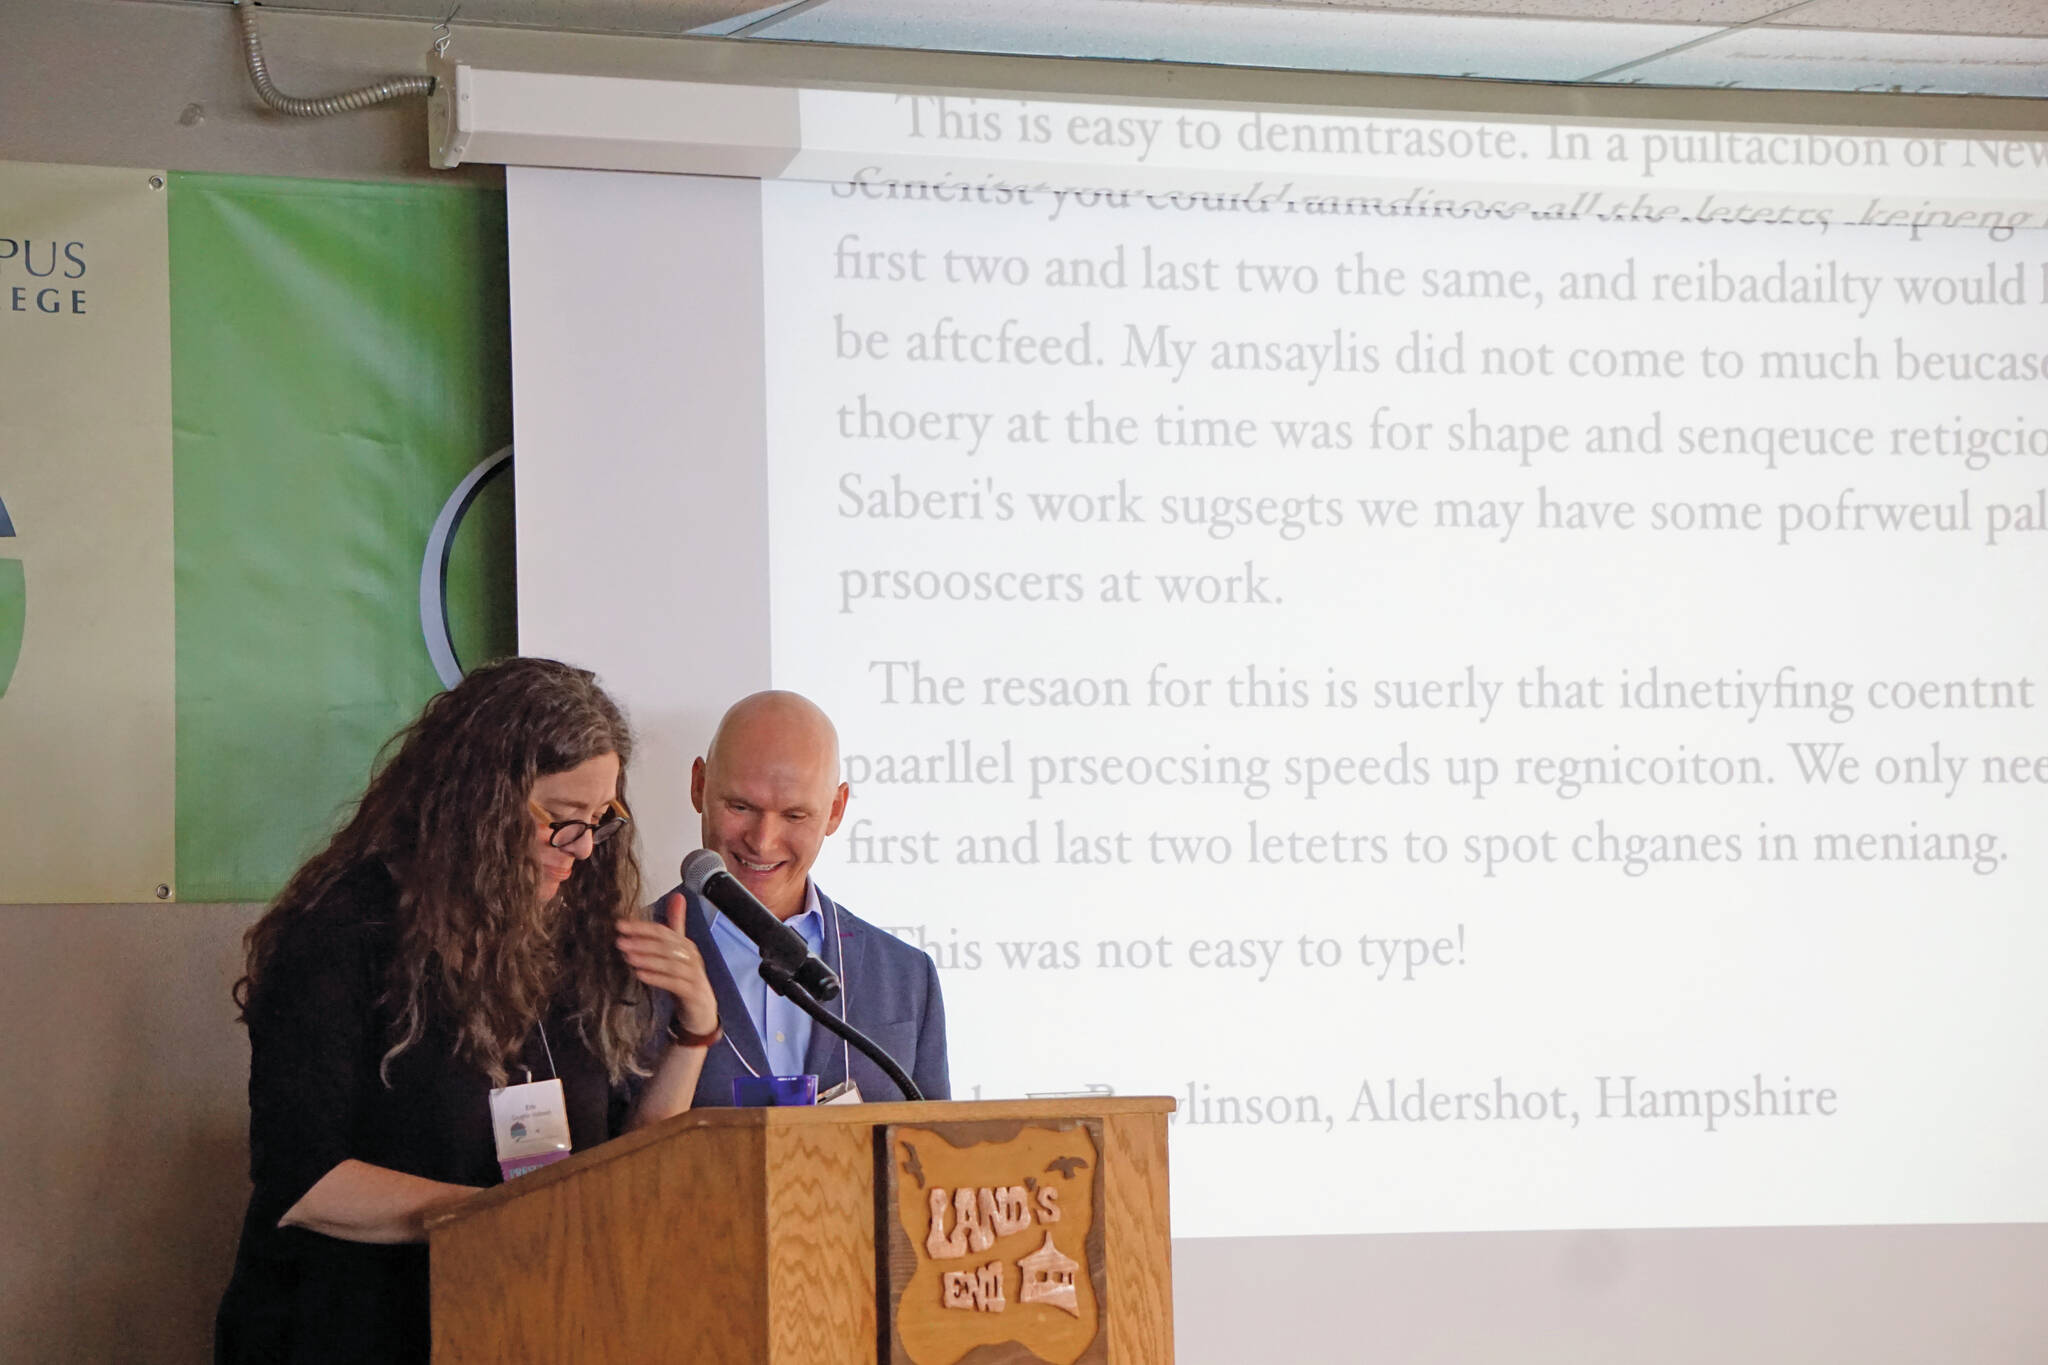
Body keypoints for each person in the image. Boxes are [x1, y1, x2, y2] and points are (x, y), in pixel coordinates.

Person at [214, 657, 721, 1365]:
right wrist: (500, 1219)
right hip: (351, 1327)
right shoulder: (342, 933)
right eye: (560, 821)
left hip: (522, 1321)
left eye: (599, 821)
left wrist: (693, 1031)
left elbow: (612, 1170)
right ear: (478, 802)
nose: (579, 849)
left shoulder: (571, 935)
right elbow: (306, 1183)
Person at [665, 690, 949, 1107]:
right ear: (698, 786)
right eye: (741, 807)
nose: (762, 841)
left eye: (795, 815)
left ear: (835, 810)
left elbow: (934, 1155)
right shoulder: (609, 961)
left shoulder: (907, 976)